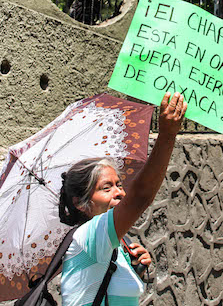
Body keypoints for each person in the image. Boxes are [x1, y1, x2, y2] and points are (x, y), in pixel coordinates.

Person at [58, 92, 186, 306]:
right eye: (106, 188)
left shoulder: (116, 245)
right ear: (80, 203)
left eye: (119, 184)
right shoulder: (88, 237)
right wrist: (167, 134)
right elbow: (140, 196)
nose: (119, 192)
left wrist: (134, 269)